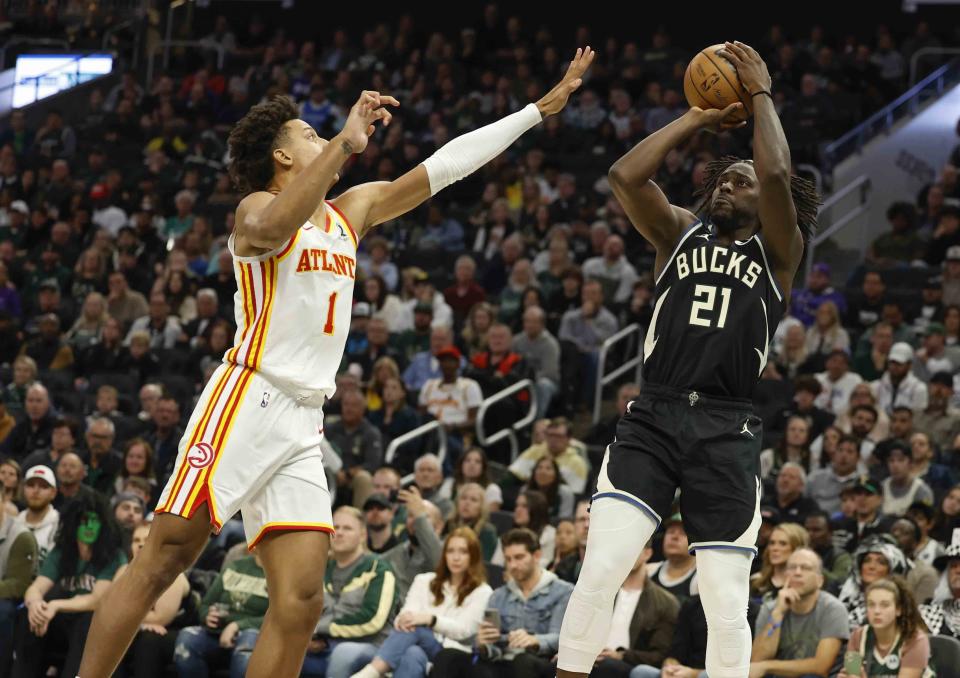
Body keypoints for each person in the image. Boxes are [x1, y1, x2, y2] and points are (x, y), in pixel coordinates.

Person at [79, 46, 595, 678]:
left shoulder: (350, 211)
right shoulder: (253, 211)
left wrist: (536, 112)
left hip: (303, 421)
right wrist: (344, 147)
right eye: (309, 134)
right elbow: (275, 226)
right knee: (163, 557)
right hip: (247, 396)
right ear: (283, 156)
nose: (322, 136)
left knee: (301, 599)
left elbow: (445, 166)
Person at [558, 40, 822, 678]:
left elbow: (780, 175)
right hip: (654, 414)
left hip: (726, 427)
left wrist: (760, 95)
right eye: (724, 178)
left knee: (725, 597)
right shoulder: (677, 231)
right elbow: (625, 176)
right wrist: (699, 117)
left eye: (743, 181)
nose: (729, 185)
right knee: (600, 567)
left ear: (769, 206)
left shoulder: (781, 254)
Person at [349, 527, 493, 678]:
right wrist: (404, 620)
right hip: (415, 646)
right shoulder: (424, 581)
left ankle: (370, 672)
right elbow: (405, 615)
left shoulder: (482, 591)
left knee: (418, 629)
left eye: (463, 552)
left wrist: (431, 620)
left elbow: (464, 631)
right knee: (412, 654)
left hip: (453, 654)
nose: (455, 558)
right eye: (450, 551)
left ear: (474, 556)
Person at [430, 528, 574, 678]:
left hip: (541, 661)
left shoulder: (562, 592)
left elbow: (561, 638)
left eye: (519, 557)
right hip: (503, 662)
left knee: (523, 661)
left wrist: (535, 640)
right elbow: (493, 647)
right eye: (508, 559)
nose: (512, 565)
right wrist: (483, 644)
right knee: (447, 656)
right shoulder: (498, 596)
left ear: (536, 556)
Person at [15, 493, 125, 678]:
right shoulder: (62, 552)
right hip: (62, 620)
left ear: (104, 524)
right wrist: (35, 605)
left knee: (86, 622)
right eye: (83, 520)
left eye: (94, 521)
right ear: (73, 524)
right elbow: (36, 588)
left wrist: (55, 605)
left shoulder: (113, 555)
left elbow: (96, 600)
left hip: (93, 622)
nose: (89, 526)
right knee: (30, 617)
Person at [114, 523, 191, 678]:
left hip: (174, 631)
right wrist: (141, 624)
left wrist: (126, 618)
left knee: (149, 642)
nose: (141, 544)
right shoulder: (124, 570)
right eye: (136, 540)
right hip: (139, 626)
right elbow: (110, 611)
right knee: (109, 633)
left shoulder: (172, 573)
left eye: (147, 539)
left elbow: (160, 619)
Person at [840, 577, 932, 678]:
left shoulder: (915, 639)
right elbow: (852, 674)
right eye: (871, 605)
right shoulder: (857, 637)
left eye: (885, 605)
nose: (877, 611)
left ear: (898, 609)